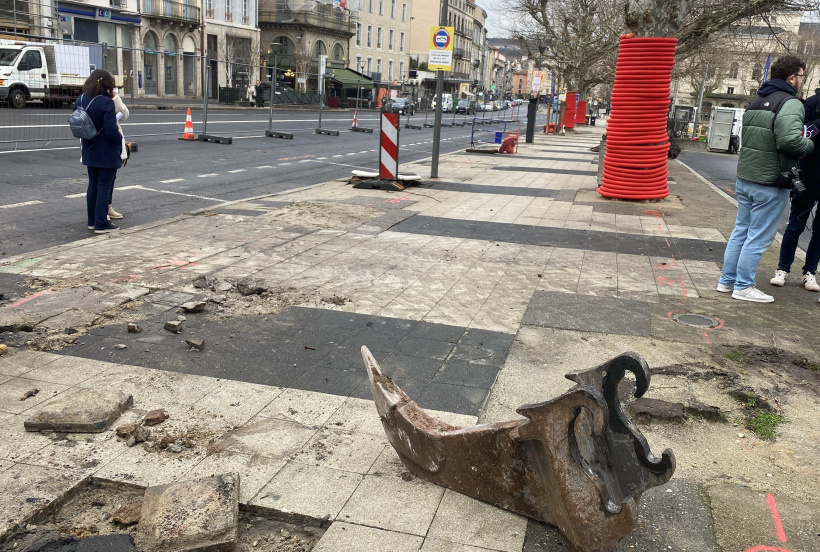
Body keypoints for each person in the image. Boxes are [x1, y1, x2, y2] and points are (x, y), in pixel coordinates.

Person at [717, 55, 814, 302]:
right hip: (770, 181)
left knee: (741, 231)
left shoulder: (756, 100)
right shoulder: (790, 103)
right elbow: (789, 140)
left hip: (747, 177)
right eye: (801, 76)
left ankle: (727, 282)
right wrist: (809, 145)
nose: (802, 81)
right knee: (758, 236)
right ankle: (743, 286)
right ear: (792, 77)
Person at [770, 87, 820, 294]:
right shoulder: (811, 103)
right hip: (809, 174)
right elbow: (799, 133)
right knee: (795, 226)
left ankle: (810, 272)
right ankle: (782, 269)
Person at [76, 69, 123, 234]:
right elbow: (111, 131)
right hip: (106, 151)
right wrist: (119, 139)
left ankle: (92, 222)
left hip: (89, 148)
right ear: (107, 84)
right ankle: (101, 223)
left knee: (93, 185)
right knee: (104, 186)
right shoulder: (106, 102)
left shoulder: (81, 99)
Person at [107, 88, 129, 221]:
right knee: (101, 183)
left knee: (110, 180)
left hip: (104, 146)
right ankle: (100, 213)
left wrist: (116, 98)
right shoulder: (99, 100)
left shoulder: (112, 100)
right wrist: (117, 139)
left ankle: (107, 207)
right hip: (104, 146)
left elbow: (125, 114)